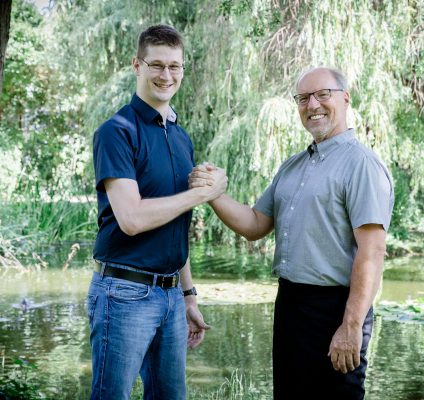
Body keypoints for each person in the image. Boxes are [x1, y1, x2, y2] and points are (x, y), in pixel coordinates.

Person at [189, 67, 394, 399]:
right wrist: (211, 193)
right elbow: (256, 224)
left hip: (337, 310)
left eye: (322, 95)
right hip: (291, 304)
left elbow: (371, 253)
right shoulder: (292, 166)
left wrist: (351, 326)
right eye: (303, 98)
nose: (312, 105)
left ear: (345, 99)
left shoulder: (362, 165)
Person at [87, 24, 227, 400]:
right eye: (157, 65)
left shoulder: (180, 137)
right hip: (124, 292)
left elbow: (174, 223)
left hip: (169, 295)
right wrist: (202, 195)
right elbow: (131, 219)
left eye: (175, 66)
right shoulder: (117, 131)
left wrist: (188, 296)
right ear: (137, 64)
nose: (167, 75)